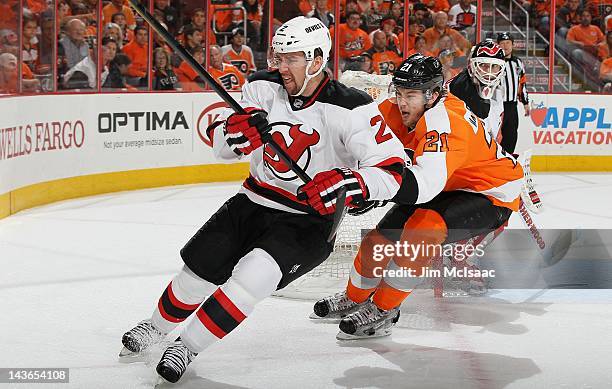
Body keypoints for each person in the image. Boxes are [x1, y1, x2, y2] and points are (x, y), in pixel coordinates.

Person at [120, 15, 405, 383]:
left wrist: (351, 182)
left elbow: (393, 171)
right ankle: (156, 326)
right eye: (278, 57)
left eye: (292, 59)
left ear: (317, 60)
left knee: (252, 278)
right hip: (252, 201)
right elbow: (222, 149)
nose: (281, 66)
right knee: (196, 272)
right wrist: (236, 135)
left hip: (308, 220)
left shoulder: (353, 107)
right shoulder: (260, 86)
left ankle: (186, 346)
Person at [310, 54, 523, 339]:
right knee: (379, 239)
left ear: (433, 94)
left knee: (422, 230)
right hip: (448, 182)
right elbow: (353, 131)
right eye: (399, 92)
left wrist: (372, 189)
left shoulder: (446, 123)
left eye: (410, 94)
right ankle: (355, 297)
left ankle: (385, 309)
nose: (402, 101)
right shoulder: (398, 107)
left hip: (491, 191)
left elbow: (425, 186)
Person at [497, 32, 530, 153]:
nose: (505, 46)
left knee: (511, 135)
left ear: (512, 45)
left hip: (512, 106)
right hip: (497, 106)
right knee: (495, 134)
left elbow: (522, 83)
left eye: (508, 43)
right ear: (498, 45)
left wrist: (525, 103)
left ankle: (507, 161)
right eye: (502, 43)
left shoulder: (518, 63)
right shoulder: (495, 62)